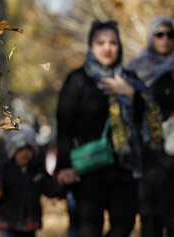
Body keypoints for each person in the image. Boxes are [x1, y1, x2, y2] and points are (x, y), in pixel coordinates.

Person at [56, 20, 163, 237]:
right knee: (88, 230)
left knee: (123, 227)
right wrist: (65, 165)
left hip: (125, 169)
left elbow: (151, 117)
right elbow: (64, 126)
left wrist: (131, 94)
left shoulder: (131, 79)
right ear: (91, 47)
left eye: (113, 42)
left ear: (120, 46)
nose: (108, 47)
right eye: (101, 42)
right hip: (88, 169)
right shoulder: (78, 80)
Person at [127, 15, 174, 237]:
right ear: (151, 37)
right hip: (148, 156)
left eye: (170, 34)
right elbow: (128, 114)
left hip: (173, 158)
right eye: (159, 34)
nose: (165, 39)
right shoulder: (135, 70)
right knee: (151, 223)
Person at [0, 124, 59, 237]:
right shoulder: (3, 170)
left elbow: (51, 188)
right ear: (12, 150)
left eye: (29, 148)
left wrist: (60, 183)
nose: (25, 153)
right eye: (20, 149)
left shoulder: (37, 170)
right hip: (8, 224)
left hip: (30, 225)